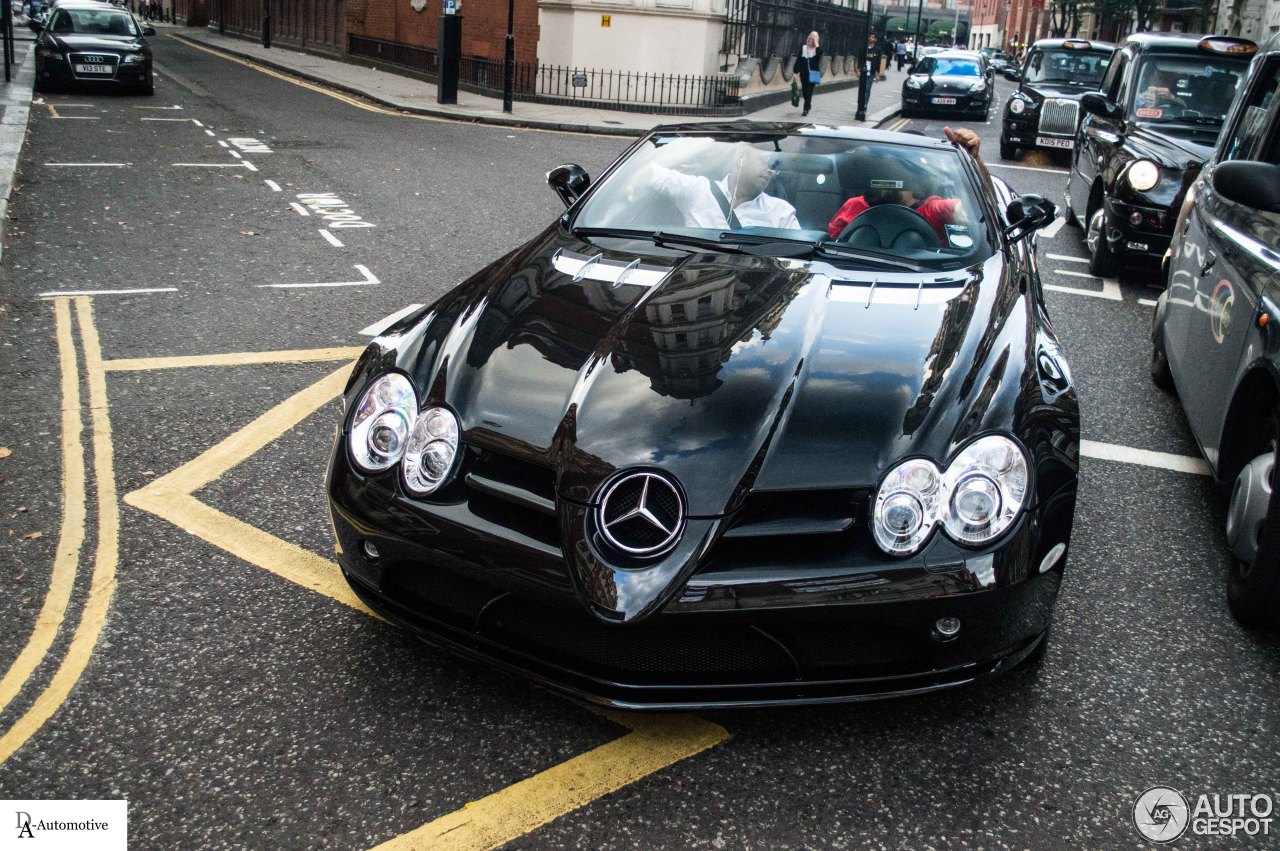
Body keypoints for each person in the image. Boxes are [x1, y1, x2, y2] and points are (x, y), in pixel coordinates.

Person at [827, 127, 988, 241]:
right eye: (885, 165)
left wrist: (973, 163)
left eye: (898, 167)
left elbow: (976, 210)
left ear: (915, 177)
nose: (888, 174)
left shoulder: (932, 210)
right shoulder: (854, 205)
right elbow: (832, 245)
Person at [634, 142, 800, 230]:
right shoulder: (698, 191)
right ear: (740, 157)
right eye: (764, 161)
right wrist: (631, 188)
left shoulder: (781, 213)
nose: (770, 171)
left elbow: (802, 260)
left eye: (774, 166)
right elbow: (650, 173)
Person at [793, 32, 822, 118]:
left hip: (813, 74)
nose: (810, 40)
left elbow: (820, 54)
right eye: (810, 38)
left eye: (812, 39)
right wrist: (795, 72)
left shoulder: (817, 50)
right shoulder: (803, 48)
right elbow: (799, 60)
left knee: (809, 91)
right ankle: (808, 104)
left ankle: (805, 109)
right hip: (804, 73)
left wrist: (816, 43)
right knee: (805, 92)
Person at [855, 33, 878, 121]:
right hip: (863, 72)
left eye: (873, 37)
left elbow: (878, 61)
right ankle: (860, 104)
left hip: (871, 72)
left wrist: (877, 73)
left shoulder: (877, 50)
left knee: (867, 89)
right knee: (862, 89)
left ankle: (864, 105)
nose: (871, 38)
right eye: (870, 37)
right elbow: (860, 59)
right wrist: (858, 70)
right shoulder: (863, 48)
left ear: (875, 39)